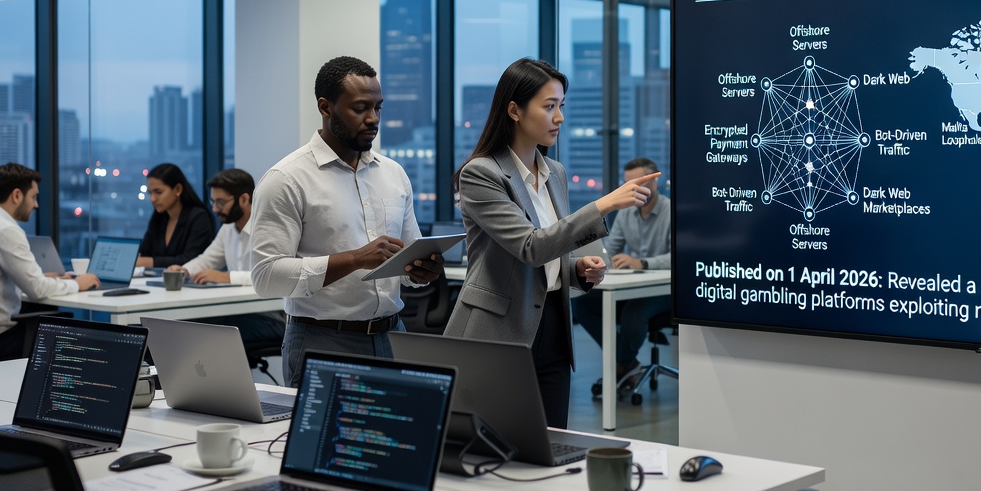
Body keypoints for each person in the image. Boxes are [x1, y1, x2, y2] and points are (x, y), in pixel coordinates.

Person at [443, 57, 660, 429]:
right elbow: (531, 246)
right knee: (499, 447)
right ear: (514, 110)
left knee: (550, 442)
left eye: (562, 106)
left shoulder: (554, 173)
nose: (559, 117)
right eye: (549, 107)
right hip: (499, 329)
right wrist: (605, 203)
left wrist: (575, 270)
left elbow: (550, 254)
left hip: (554, 326)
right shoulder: (482, 174)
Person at [250, 55, 445, 386]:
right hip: (322, 341)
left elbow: (408, 261)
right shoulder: (286, 179)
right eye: (360, 109)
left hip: (394, 336)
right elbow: (266, 277)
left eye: (378, 107)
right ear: (326, 108)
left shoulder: (394, 174)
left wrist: (422, 271)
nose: (373, 119)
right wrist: (355, 259)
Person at [0, 163, 101, 360]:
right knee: (88, 343)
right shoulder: (5, 230)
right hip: (0, 339)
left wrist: (38, 278)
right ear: (16, 195)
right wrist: (76, 283)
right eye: (33, 197)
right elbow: (37, 289)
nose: (36, 204)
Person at [573, 157, 672, 397]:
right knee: (581, 302)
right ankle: (627, 363)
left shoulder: (672, 211)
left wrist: (642, 263)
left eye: (638, 182)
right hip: (633, 284)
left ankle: (624, 364)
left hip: (666, 289)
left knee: (633, 313)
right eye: (627, 183)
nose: (632, 189)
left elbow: (682, 258)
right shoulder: (627, 213)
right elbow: (612, 248)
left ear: (654, 181)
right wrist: (603, 260)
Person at [165, 168, 285, 347]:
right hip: (238, 310)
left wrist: (226, 277)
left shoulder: (267, 228)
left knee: (203, 333)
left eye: (220, 203)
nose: (214, 209)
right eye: (213, 202)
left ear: (244, 199)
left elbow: (271, 275)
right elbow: (208, 259)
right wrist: (185, 270)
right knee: (187, 328)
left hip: (270, 316)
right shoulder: (228, 228)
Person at [136, 163, 214, 269]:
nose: (152, 199)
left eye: (158, 192)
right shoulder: (159, 217)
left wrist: (148, 262)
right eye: (150, 193)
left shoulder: (198, 217)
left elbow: (191, 260)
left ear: (178, 189)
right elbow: (144, 252)